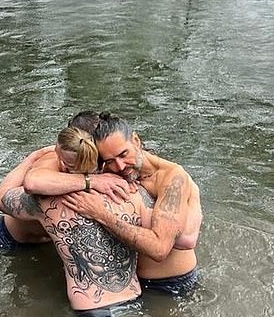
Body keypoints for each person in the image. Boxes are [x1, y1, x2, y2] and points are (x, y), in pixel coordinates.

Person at [0, 127, 148, 317]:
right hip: (135, 301)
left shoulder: (44, 201)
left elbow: (0, 198)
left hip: (92, 311)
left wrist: (31, 159)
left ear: (63, 165)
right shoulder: (131, 189)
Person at [63, 112, 201, 296]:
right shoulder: (111, 170)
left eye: (123, 154)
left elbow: (159, 248)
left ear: (136, 140)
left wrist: (101, 214)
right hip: (132, 285)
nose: (119, 166)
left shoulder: (172, 178)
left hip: (172, 286)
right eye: (110, 161)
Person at [0, 111, 132, 250]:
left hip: (56, 239)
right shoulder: (55, 158)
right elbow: (31, 183)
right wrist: (91, 181)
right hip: (15, 240)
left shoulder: (110, 156)